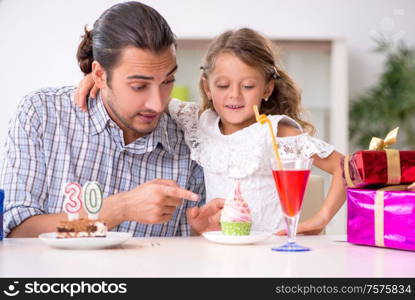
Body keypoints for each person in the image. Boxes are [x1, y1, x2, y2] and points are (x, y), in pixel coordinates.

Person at [76, 28, 346, 234]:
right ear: (207, 87)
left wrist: (320, 220)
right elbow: (144, 94)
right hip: (220, 253)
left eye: (248, 86)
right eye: (223, 85)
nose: (234, 96)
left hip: (270, 250)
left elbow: (344, 168)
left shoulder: (275, 131)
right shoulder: (198, 123)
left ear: (267, 89)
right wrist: (100, 80)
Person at [0, 1, 224, 238]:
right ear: (99, 75)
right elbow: (17, 231)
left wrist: (200, 233)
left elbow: (185, 254)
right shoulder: (43, 114)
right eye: (139, 86)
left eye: (168, 81)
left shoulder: (191, 140)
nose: (157, 104)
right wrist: (120, 208)